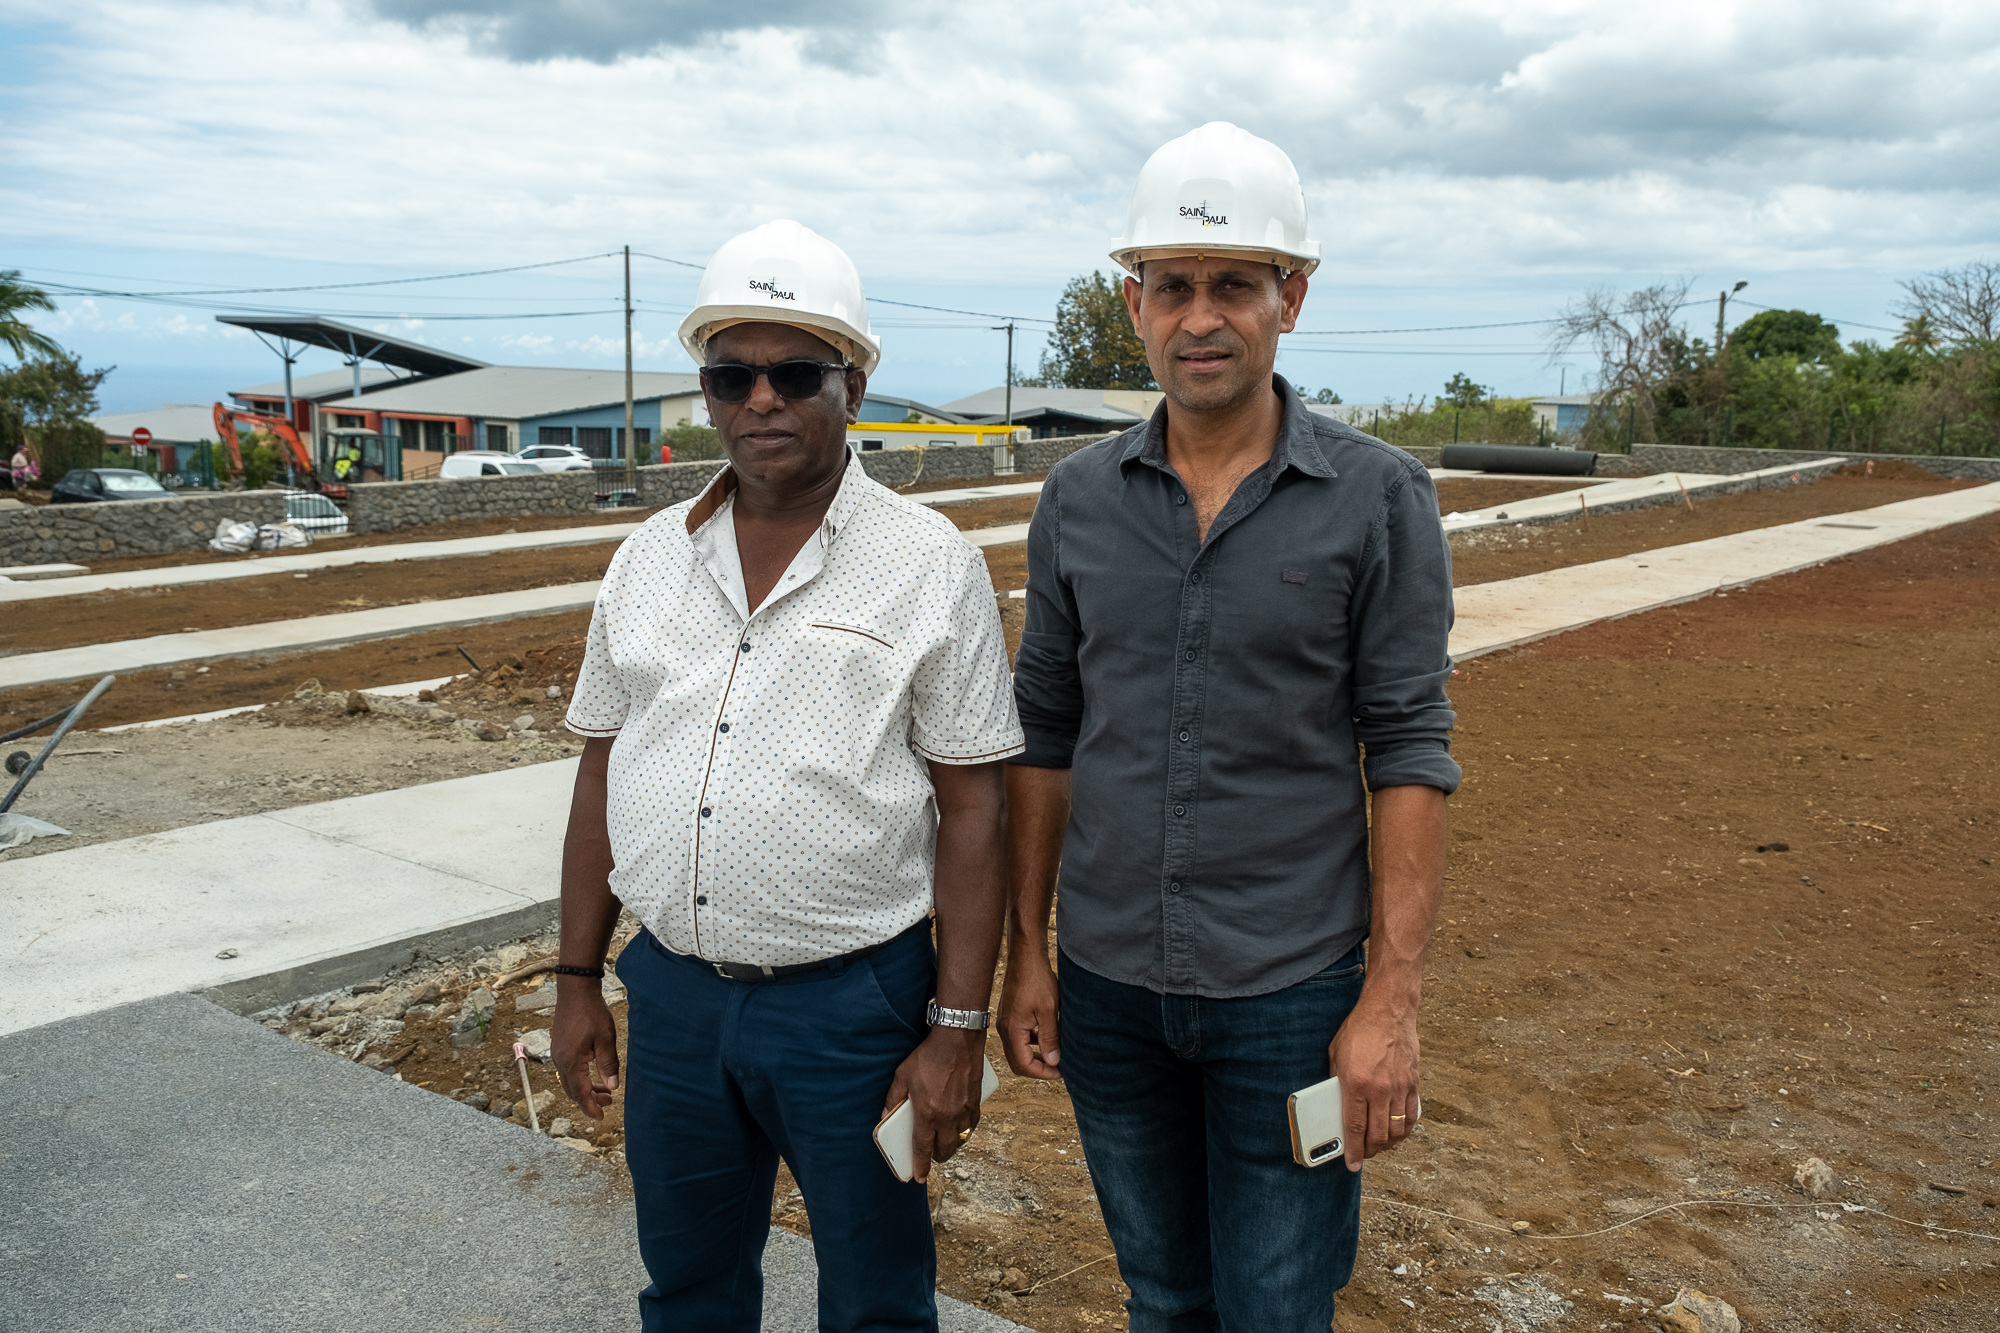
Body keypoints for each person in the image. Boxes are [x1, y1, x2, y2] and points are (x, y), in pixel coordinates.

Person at [1000, 122, 1461, 1331]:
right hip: (1106, 988)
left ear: (1289, 299)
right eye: (1173, 287)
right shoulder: (1077, 501)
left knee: (1275, 1305)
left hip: (1290, 994)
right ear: (1134, 302)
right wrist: (1029, 952)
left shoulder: (1374, 498)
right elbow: (1044, 734)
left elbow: (1408, 747)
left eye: (1233, 286)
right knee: (1161, 1297)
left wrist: (1389, 1001)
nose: (1199, 318)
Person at [551, 219, 1023, 1333]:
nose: (760, 399)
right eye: (730, 373)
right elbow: (599, 772)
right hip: (671, 996)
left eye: (794, 372)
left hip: (851, 1008)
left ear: (851, 384)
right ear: (706, 391)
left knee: (874, 1299)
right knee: (689, 1286)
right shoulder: (646, 556)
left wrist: (955, 1026)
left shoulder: (927, 562)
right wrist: (577, 978)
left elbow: (974, 809)